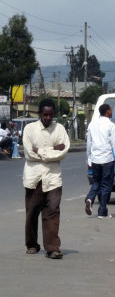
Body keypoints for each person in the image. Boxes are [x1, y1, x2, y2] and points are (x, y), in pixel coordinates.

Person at [23, 99, 70, 259]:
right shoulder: (29, 129)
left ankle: (52, 248)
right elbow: (30, 153)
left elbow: (63, 151)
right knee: (32, 213)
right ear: (39, 114)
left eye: (50, 115)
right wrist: (52, 150)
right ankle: (32, 244)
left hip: (53, 178)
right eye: (45, 115)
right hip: (33, 177)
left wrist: (41, 151)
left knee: (52, 212)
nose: (48, 118)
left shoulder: (60, 129)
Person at [85, 104, 115, 219]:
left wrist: (89, 160)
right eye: (111, 110)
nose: (112, 112)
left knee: (96, 182)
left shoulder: (92, 124)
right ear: (107, 111)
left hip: (95, 159)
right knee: (106, 185)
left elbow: (89, 144)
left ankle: (90, 198)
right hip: (107, 160)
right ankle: (102, 211)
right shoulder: (111, 125)